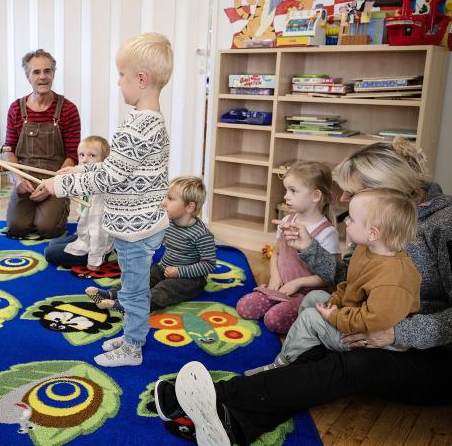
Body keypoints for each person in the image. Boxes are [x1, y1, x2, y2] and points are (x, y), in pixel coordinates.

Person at [152, 138, 452, 445]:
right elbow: (342, 278)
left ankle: (216, 397)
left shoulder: (444, 224)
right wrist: (309, 248)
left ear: (391, 193)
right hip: (365, 324)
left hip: (428, 355)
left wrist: (397, 333)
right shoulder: (372, 222)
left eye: (354, 191)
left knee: (350, 364)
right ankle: (231, 424)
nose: (344, 198)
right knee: (314, 344)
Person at [40, 32, 173, 367]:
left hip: (135, 229)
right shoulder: (149, 121)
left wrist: (60, 185)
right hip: (141, 223)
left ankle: (132, 349)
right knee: (132, 286)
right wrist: (75, 177)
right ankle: (133, 336)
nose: (118, 82)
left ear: (141, 79)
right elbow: (117, 171)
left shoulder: (138, 127)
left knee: (132, 291)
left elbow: (109, 175)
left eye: (122, 74)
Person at [245, 188, 421, 376]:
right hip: (354, 317)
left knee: (310, 318)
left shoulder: (393, 278)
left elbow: (373, 321)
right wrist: (334, 303)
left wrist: (334, 317)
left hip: (369, 339)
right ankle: (306, 347)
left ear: (372, 233)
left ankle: (283, 363)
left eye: (351, 219)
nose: (346, 221)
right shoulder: (365, 250)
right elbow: (349, 284)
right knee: (315, 297)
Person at [236, 161, 340, 334]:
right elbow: (276, 253)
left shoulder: (327, 232)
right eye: (286, 190)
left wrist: (297, 284)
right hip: (280, 287)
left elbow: (330, 275)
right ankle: (278, 302)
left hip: (306, 295)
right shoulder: (286, 221)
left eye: (293, 191)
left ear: (315, 196)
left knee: (273, 320)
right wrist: (275, 276)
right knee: (245, 307)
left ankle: (306, 316)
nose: (286, 196)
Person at [87, 175, 216, 313]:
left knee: (164, 289)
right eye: (165, 197)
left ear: (190, 207)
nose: (164, 202)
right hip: (165, 268)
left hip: (190, 279)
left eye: (170, 199)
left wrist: (179, 271)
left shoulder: (202, 234)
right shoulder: (168, 222)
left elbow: (209, 264)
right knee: (144, 275)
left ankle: (132, 308)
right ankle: (112, 294)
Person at [3, 49, 81, 239]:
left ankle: (56, 210)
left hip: (54, 179)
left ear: (53, 74)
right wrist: (18, 179)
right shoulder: (15, 108)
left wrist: (54, 183)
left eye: (48, 71)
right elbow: (9, 150)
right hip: (25, 181)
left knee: (47, 229)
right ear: (28, 76)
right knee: (16, 228)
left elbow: (72, 155)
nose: (43, 77)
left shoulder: (68, 109)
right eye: (37, 72)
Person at [44, 136, 114, 269]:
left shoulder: (99, 194)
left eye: (92, 155)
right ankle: (80, 240)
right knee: (53, 244)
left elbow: (99, 232)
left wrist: (94, 261)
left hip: (97, 244)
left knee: (49, 253)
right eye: (81, 155)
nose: (84, 160)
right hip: (85, 236)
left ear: (104, 161)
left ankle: (107, 254)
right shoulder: (86, 179)